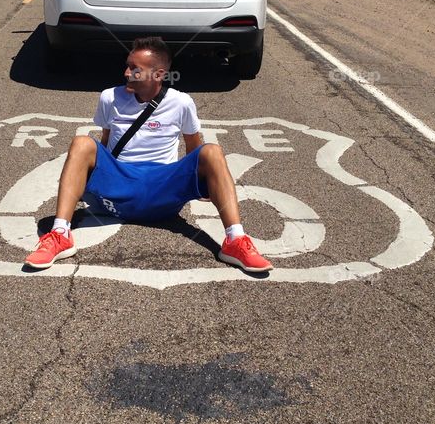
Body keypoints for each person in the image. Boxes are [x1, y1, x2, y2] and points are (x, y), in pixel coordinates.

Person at [25, 36, 272, 274]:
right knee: (81, 142)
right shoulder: (109, 97)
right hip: (120, 184)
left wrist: (209, 185)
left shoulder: (181, 103)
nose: (126, 72)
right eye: (127, 65)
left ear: (158, 75)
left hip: (161, 189)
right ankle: (60, 234)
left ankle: (235, 239)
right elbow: (105, 143)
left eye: (135, 68)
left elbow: (195, 150)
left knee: (213, 151)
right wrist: (86, 175)